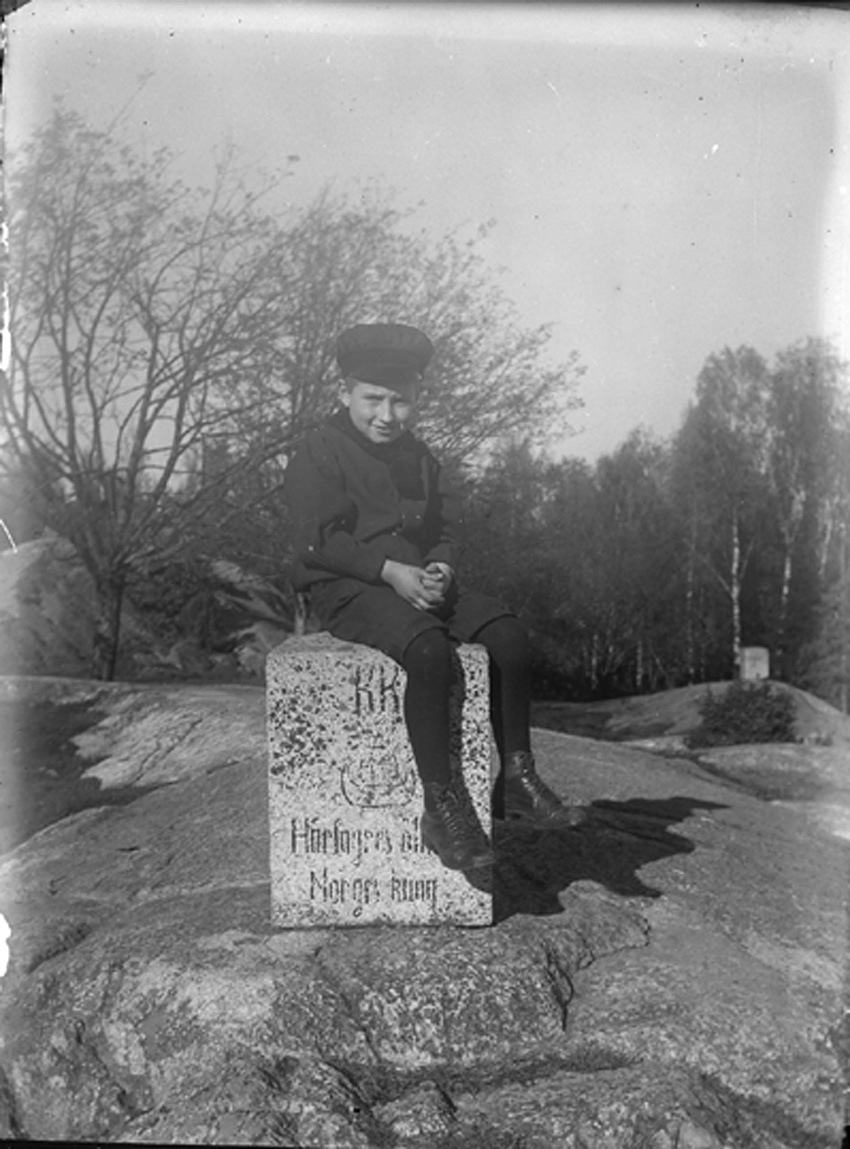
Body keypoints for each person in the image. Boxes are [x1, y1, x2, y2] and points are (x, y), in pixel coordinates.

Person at [284, 322, 576, 873]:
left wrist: (441, 565)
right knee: (428, 649)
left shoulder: (418, 456)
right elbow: (315, 541)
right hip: (346, 585)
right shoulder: (319, 450)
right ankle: (441, 807)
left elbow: (444, 526)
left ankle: (516, 777)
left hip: (414, 580)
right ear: (345, 392)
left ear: (416, 399)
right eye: (373, 399)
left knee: (508, 635)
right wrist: (389, 571)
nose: (386, 415)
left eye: (401, 401)